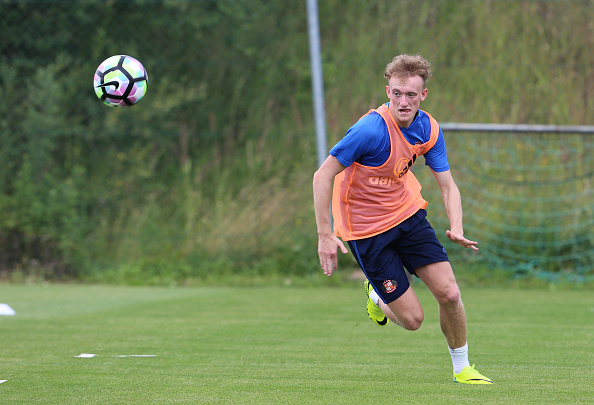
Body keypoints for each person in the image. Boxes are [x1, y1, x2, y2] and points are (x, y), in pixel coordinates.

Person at [312, 54, 493, 384]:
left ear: (423, 95)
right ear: (387, 91)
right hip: (365, 230)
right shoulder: (369, 131)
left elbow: (448, 185)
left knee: (450, 294)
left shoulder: (428, 128)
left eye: (411, 94)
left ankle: (462, 368)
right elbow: (322, 176)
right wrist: (325, 233)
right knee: (413, 320)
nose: (403, 101)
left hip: (407, 216)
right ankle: (376, 295)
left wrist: (457, 225)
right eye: (396, 93)